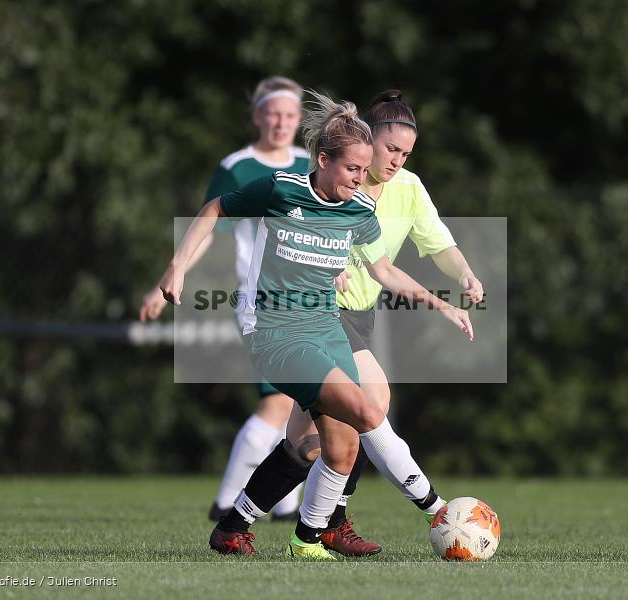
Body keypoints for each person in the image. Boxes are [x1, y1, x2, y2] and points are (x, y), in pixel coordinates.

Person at [155, 90, 473, 559]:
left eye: (365, 171)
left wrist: (440, 302)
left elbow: (383, 270)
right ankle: (437, 509)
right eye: (352, 170)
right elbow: (217, 208)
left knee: (337, 451)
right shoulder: (280, 189)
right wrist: (178, 267)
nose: (361, 180)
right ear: (323, 159)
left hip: (326, 328)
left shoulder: (359, 210)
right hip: (280, 333)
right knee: (368, 412)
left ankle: (279, 535)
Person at [139, 76, 309, 521]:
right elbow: (207, 224)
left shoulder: (315, 162)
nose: (281, 122)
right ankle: (227, 502)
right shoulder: (237, 166)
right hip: (262, 299)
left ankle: (285, 504)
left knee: (298, 402)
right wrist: (168, 276)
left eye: (290, 115)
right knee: (278, 403)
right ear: (257, 116)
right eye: (272, 113)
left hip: (309, 299)